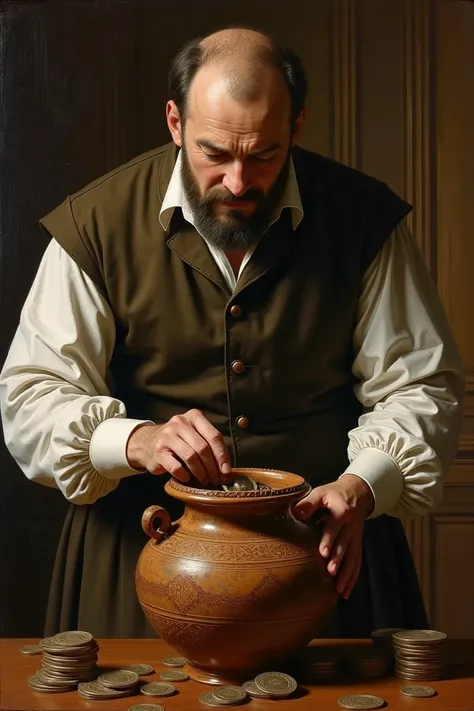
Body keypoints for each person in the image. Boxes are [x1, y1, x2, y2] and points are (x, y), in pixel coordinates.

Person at [0, 26, 464, 640]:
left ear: (297, 127)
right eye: (214, 153)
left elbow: (422, 386)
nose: (239, 183)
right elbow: (30, 398)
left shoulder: (363, 220)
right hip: (139, 564)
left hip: (325, 561)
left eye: (264, 154)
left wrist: (362, 487)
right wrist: (137, 439)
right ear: (174, 122)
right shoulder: (96, 225)